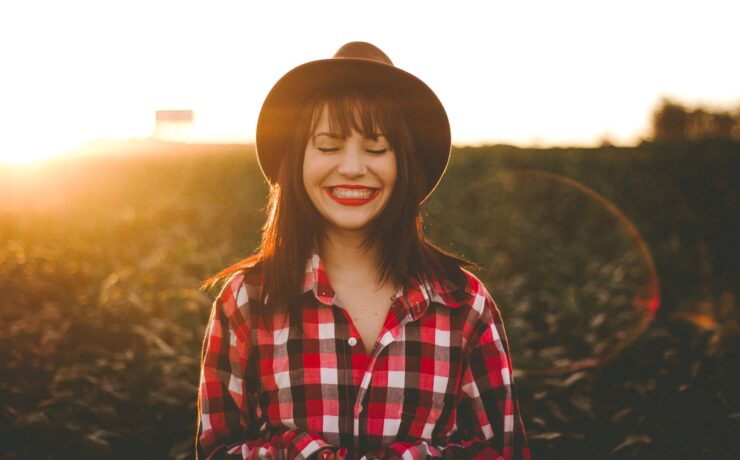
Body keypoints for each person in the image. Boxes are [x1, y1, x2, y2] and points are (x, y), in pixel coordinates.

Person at [196, 42, 529, 460]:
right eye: (328, 146)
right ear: (297, 161)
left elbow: (503, 452)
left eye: (376, 148)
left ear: (404, 163)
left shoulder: (463, 303)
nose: (353, 167)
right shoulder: (246, 301)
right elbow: (217, 451)